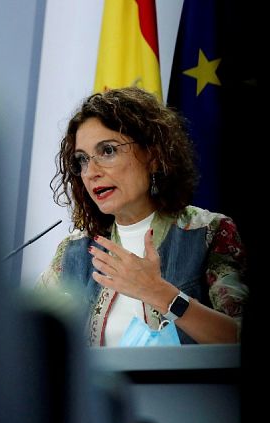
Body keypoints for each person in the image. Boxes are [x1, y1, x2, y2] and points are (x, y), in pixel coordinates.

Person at [37, 87, 248, 346]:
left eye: (108, 151)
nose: (91, 172)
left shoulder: (209, 232)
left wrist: (160, 294)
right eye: (82, 160)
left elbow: (237, 339)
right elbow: (27, 340)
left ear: (154, 156)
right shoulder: (74, 251)